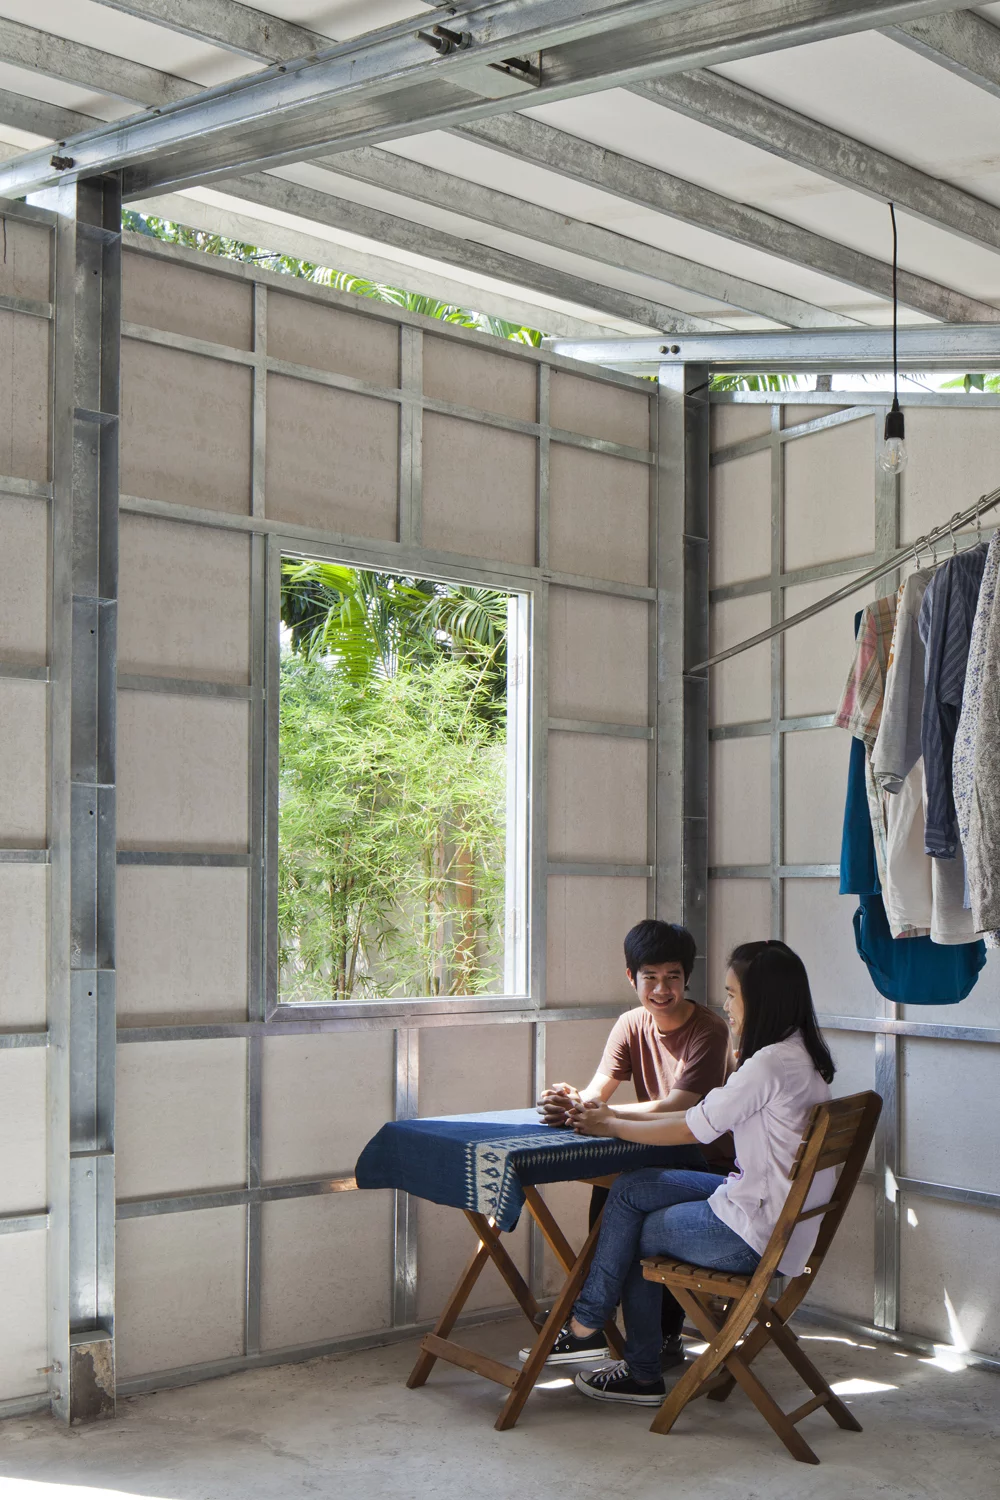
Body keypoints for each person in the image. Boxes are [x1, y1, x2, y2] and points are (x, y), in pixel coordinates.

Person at [555, 940, 836, 1406]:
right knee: (631, 1189)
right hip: (779, 1215)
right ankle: (592, 1321)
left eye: (731, 993)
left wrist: (611, 1123)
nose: (725, 1004)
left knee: (636, 1229)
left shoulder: (766, 1064)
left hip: (754, 1231)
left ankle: (635, 1365)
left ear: (759, 998)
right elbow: (697, 1115)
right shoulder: (800, 1053)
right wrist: (611, 1119)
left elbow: (692, 1126)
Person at [531, 920, 734, 1370]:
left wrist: (607, 1117)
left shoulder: (710, 1030)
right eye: (650, 978)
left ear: (687, 977)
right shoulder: (630, 1024)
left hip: (708, 1163)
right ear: (631, 978)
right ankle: (600, 1320)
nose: (661, 989)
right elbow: (597, 1091)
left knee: (628, 1200)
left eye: (673, 977)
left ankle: (651, 1333)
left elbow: (679, 1107)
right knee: (609, 1191)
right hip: (654, 1148)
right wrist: (570, 1101)